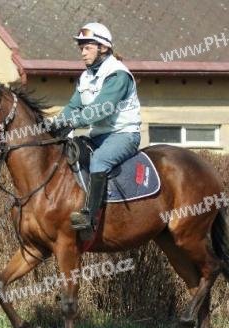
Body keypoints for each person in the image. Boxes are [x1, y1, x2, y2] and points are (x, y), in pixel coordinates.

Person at [47, 22, 142, 234]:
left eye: (87, 47)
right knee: (70, 152)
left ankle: (90, 218)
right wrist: (55, 124)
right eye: (81, 48)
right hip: (98, 135)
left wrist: (72, 123)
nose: (82, 53)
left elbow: (101, 110)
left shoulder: (118, 74)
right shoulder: (86, 76)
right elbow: (73, 107)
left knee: (99, 160)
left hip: (124, 135)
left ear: (103, 47)